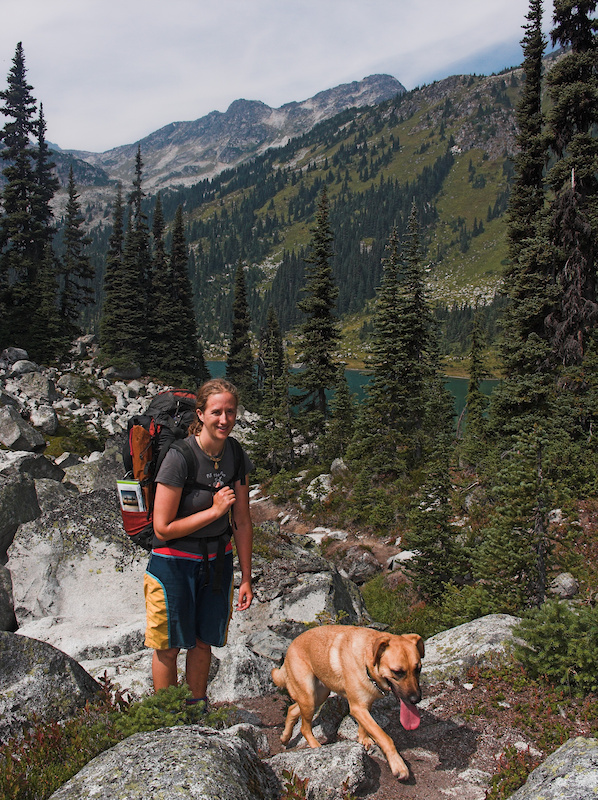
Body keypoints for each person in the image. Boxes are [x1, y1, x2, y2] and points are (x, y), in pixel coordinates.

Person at [143, 378, 254, 707]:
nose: (224, 419)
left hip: (217, 562)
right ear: (201, 414)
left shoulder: (235, 454)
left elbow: (242, 521)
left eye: (230, 412)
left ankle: (196, 711)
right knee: (168, 646)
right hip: (173, 563)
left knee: (203, 641)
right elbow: (162, 528)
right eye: (216, 412)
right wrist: (214, 512)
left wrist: (246, 578)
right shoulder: (179, 457)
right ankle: (167, 717)